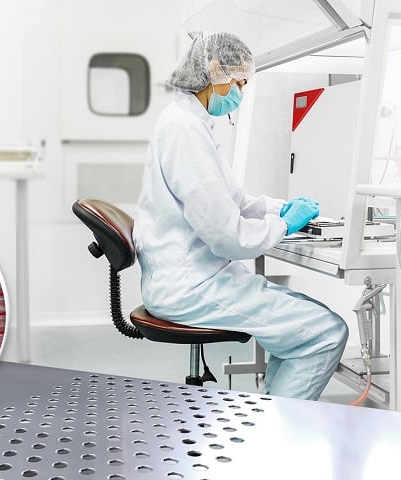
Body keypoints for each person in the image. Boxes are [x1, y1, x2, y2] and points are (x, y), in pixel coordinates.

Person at [132, 31, 348, 401]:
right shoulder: (184, 129)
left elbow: (228, 199)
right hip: (191, 285)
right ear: (215, 70)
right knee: (326, 333)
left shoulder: (189, 122)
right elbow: (227, 235)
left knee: (301, 328)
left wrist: (278, 208)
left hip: (195, 275)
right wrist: (284, 224)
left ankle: (267, 421)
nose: (240, 93)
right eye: (239, 82)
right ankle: (273, 437)